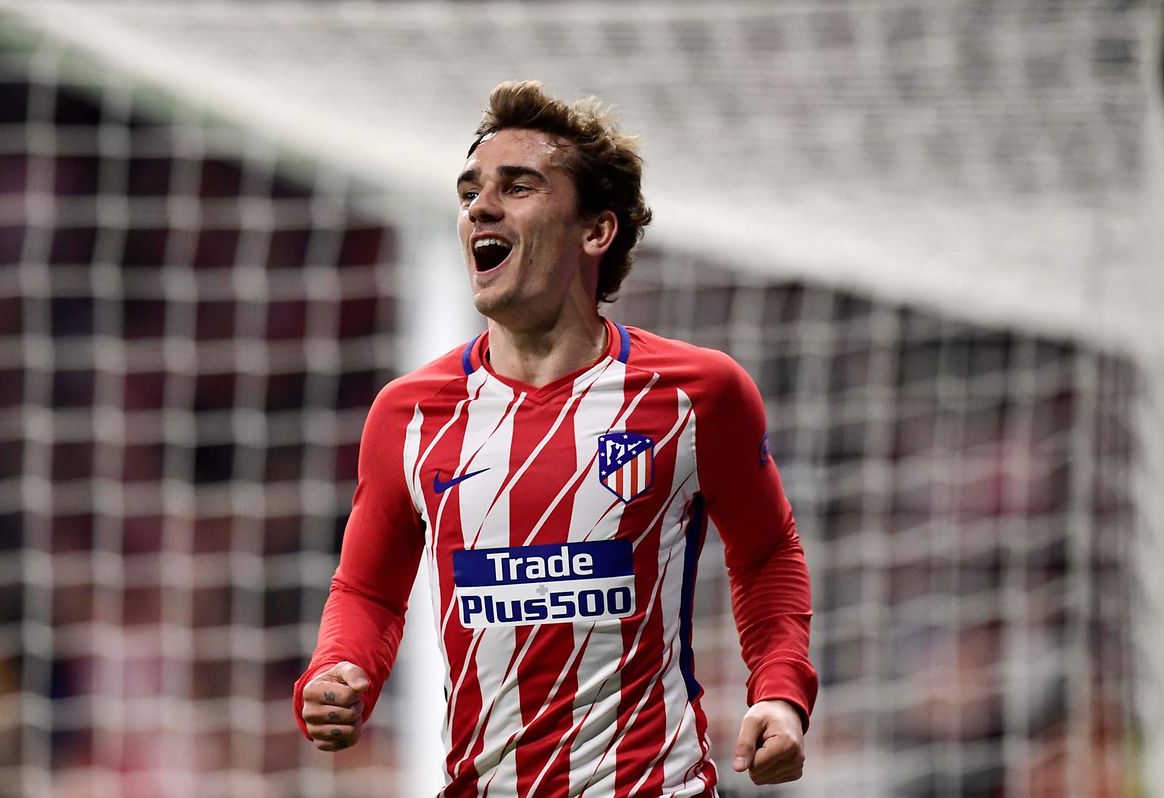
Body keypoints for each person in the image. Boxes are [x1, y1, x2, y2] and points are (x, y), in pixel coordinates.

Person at [294, 80, 817, 796]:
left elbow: (766, 553)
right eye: (470, 191)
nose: (480, 206)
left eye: (518, 187)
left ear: (595, 232)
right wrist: (338, 668)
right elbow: (367, 590)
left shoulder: (698, 393)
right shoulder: (407, 414)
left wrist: (780, 691)